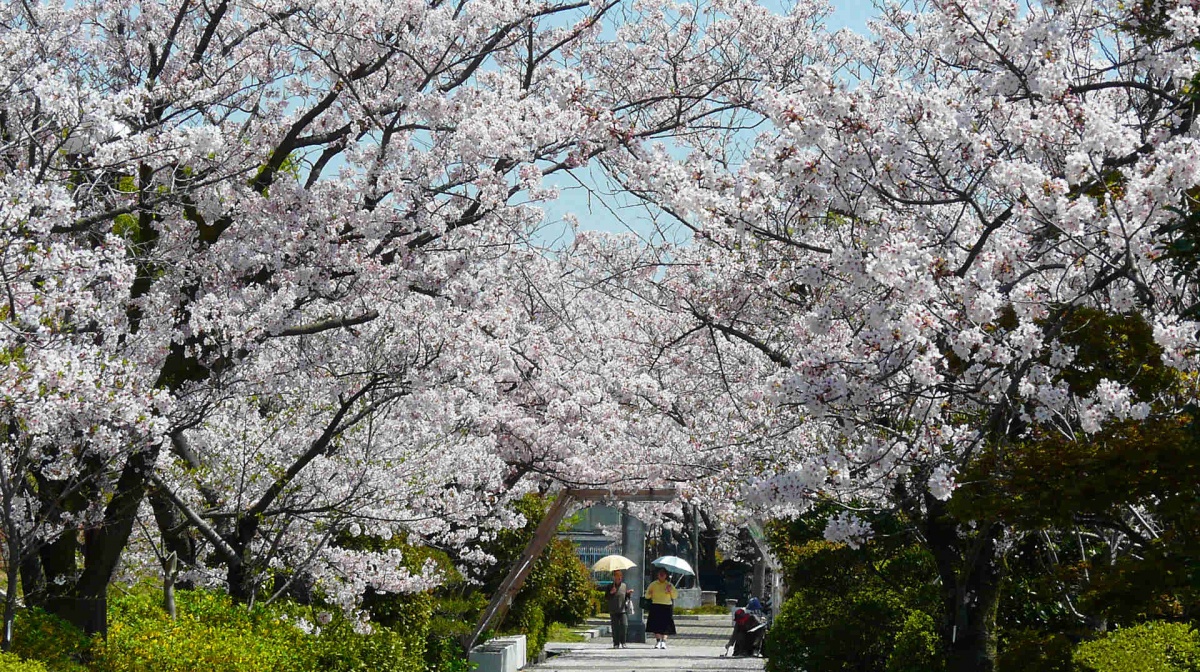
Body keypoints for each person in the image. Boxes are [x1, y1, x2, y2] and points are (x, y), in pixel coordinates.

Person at [644, 567, 678, 649]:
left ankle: (664, 642)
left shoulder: (669, 585)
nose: (662, 575)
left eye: (663, 574)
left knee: (666, 626)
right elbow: (647, 596)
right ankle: (658, 641)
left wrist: (670, 590)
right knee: (656, 625)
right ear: (658, 575)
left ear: (666, 575)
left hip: (666, 606)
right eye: (660, 574)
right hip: (656, 606)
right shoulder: (653, 584)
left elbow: (675, 596)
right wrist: (650, 593)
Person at [605, 569, 633, 649]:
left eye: (620, 575)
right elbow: (606, 597)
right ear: (614, 577)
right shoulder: (610, 586)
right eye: (617, 575)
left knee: (624, 625)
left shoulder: (624, 585)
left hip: (622, 609)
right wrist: (611, 593)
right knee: (615, 627)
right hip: (613, 609)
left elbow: (626, 597)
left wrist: (628, 594)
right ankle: (616, 643)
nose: (619, 577)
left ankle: (623, 642)